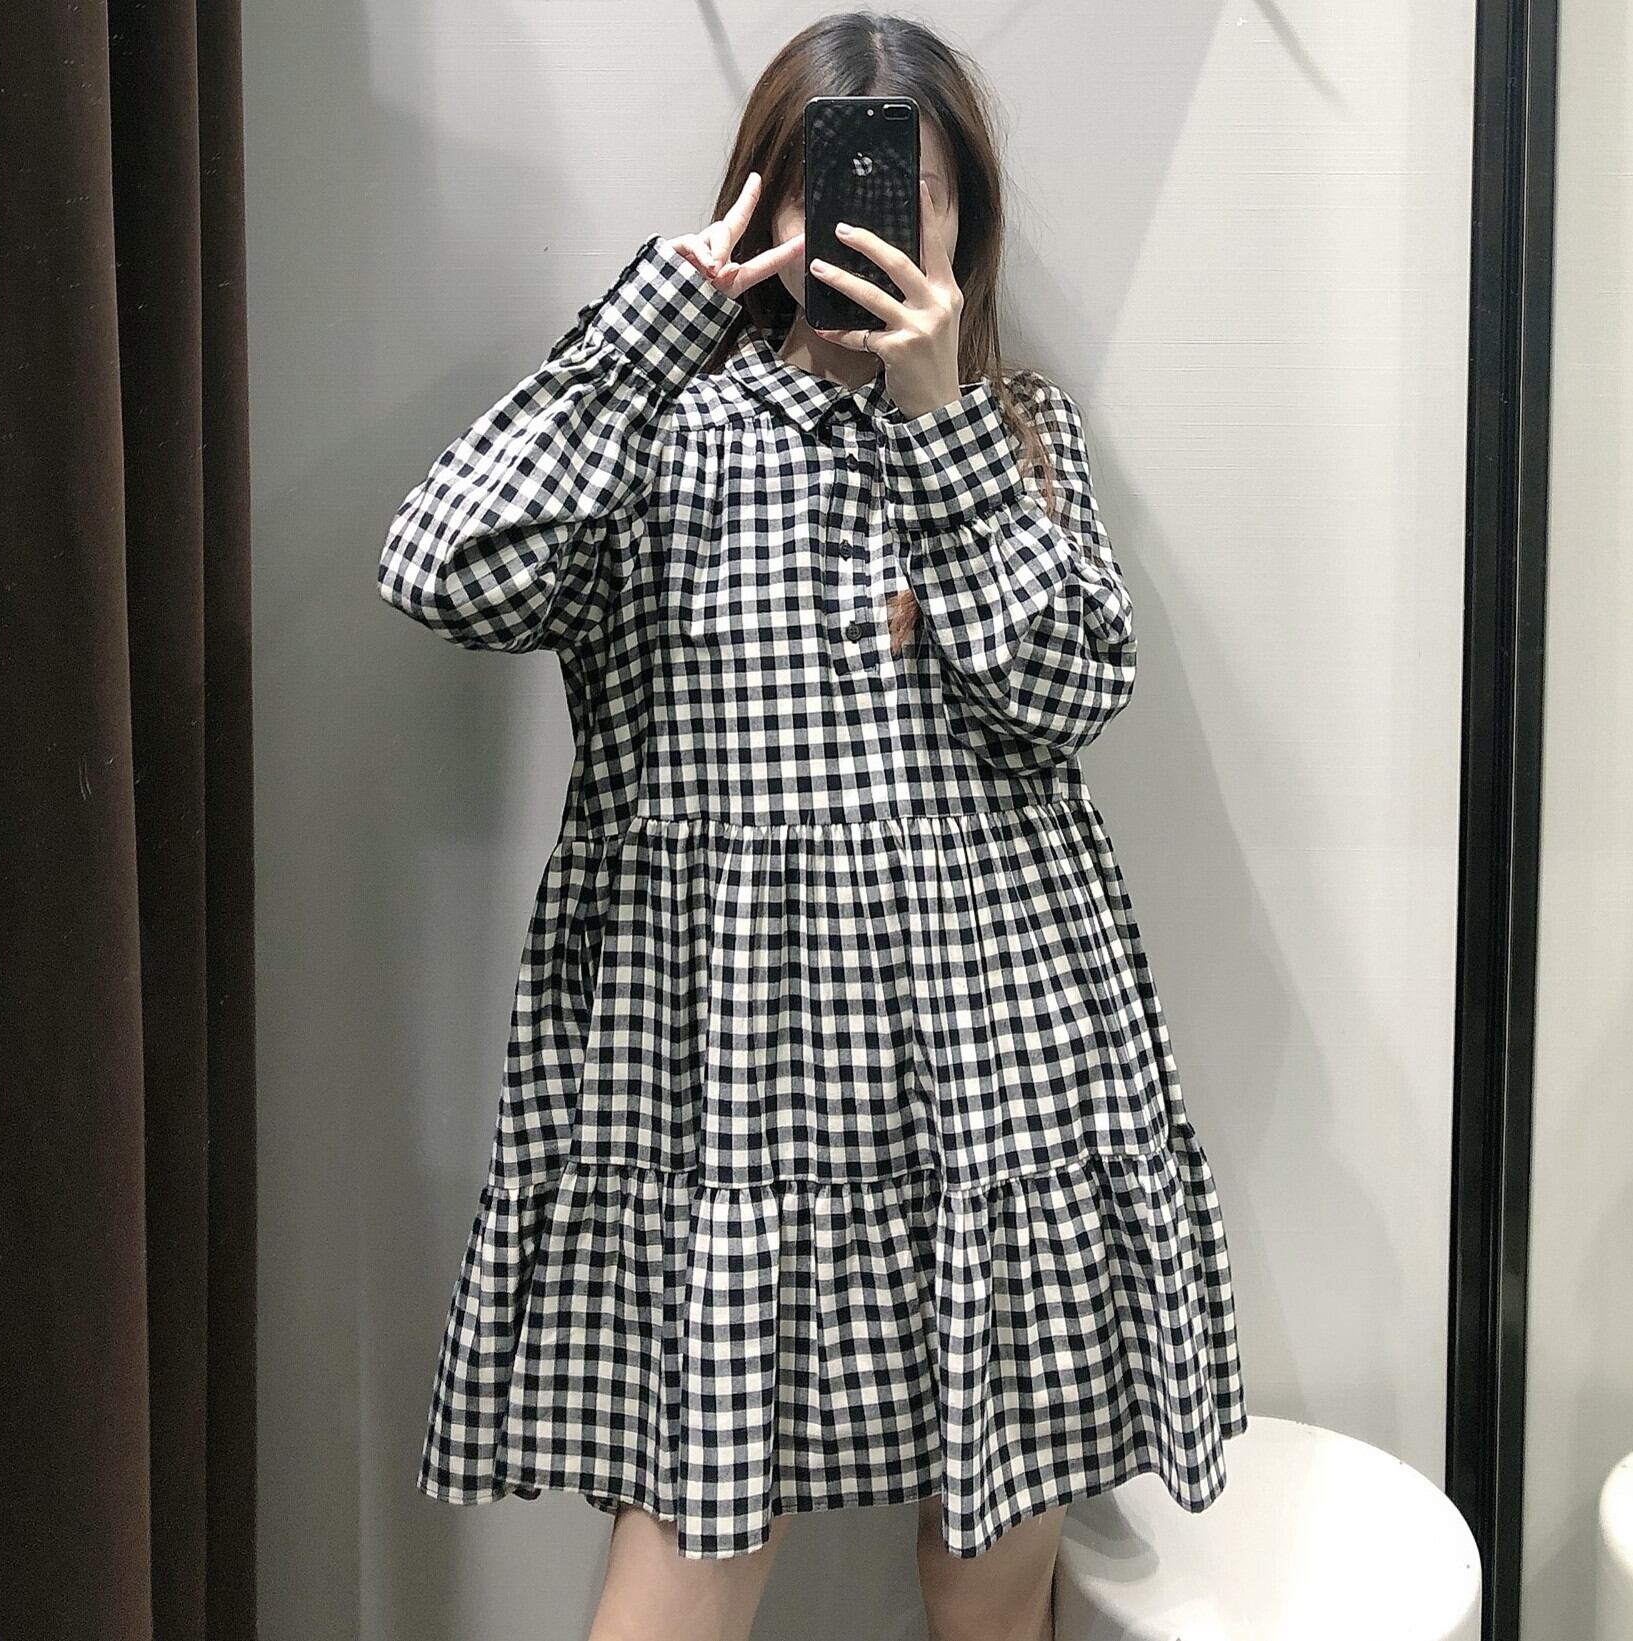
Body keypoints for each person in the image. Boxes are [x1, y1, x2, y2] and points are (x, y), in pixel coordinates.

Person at [377, 13, 1247, 1640]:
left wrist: (940, 426)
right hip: (734, 1079)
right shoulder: (659, 432)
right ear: (766, 202)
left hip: (999, 1060)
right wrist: (657, 320)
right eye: (828, 186)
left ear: (963, 218)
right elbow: (442, 569)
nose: (871, 223)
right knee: (689, 1558)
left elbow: (1069, 691)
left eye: (916, 194)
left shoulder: (1013, 432)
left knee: (988, 1569)